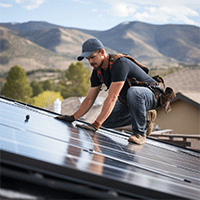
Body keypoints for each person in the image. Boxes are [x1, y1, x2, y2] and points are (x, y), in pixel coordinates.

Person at [56, 38, 159, 145]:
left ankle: (139, 134)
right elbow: (90, 99)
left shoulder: (120, 64)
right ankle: (145, 117)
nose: (90, 62)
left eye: (92, 57)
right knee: (104, 122)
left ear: (102, 52)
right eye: (88, 59)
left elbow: (112, 97)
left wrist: (95, 125)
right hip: (128, 100)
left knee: (133, 92)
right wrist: (73, 117)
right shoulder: (97, 71)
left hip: (152, 95)